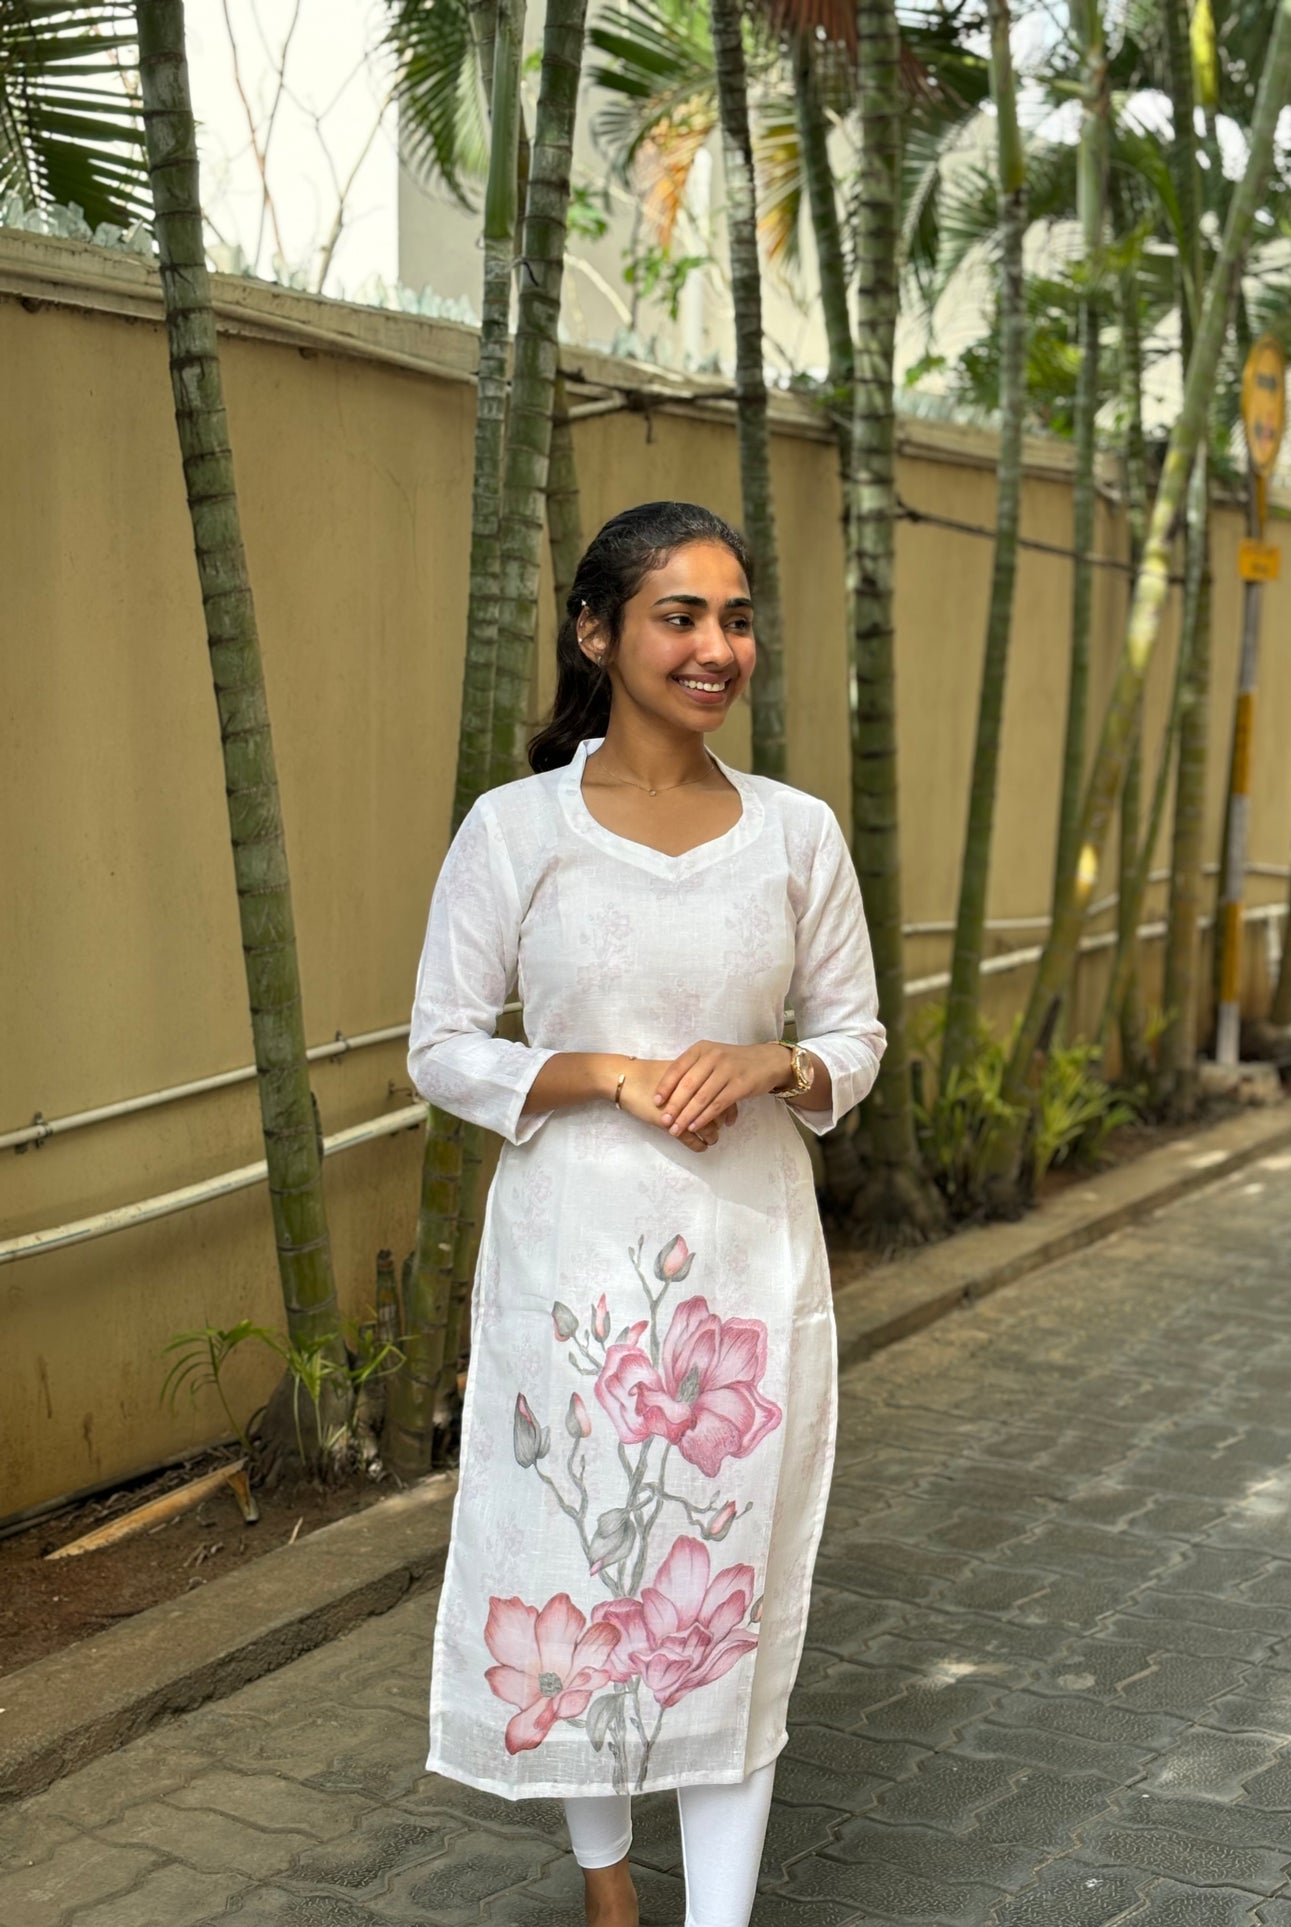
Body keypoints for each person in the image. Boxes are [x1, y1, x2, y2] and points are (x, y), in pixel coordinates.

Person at [407, 499, 885, 1927]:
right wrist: (606, 1072)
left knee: (726, 1591)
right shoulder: (517, 829)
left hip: (745, 1277)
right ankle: (610, 1892)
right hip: (573, 1272)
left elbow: (854, 1037)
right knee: (581, 1567)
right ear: (596, 632)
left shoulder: (795, 834)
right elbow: (438, 1044)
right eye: (679, 616)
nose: (714, 647)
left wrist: (775, 1060)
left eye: (734, 618)